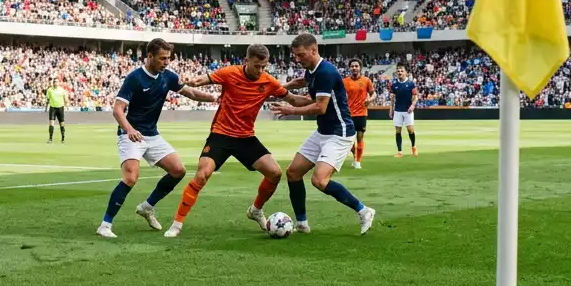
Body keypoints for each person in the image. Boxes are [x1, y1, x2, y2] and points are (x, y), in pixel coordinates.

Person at [164, 43, 314, 238]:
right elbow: (205, 79)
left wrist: (318, 97)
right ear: (247, 60)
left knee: (275, 173)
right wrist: (193, 81)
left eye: (264, 66)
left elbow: (294, 100)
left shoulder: (268, 81)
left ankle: (256, 210)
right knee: (202, 175)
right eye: (257, 66)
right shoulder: (230, 73)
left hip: (245, 137)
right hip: (221, 135)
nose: (260, 70)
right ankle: (177, 224)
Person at [98, 38, 216, 239]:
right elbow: (118, 110)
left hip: (152, 134)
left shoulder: (168, 76)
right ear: (150, 56)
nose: (166, 62)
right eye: (162, 58)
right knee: (131, 177)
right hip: (131, 134)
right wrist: (129, 129)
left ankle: (147, 206)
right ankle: (105, 225)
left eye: (168, 58)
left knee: (178, 170)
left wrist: (213, 97)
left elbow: (191, 93)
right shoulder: (135, 78)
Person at [271, 33, 375, 234]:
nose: (297, 59)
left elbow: (320, 107)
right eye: (295, 55)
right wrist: (284, 87)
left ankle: (364, 211)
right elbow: (304, 81)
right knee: (293, 173)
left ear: (314, 50)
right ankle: (301, 224)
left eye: (301, 55)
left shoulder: (326, 72)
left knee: (319, 180)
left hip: (340, 132)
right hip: (323, 131)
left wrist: (290, 109)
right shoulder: (312, 70)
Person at [343, 60, 373, 169]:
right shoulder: (344, 81)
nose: (354, 68)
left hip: (361, 113)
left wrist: (370, 99)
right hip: (348, 114)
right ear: (349, 68)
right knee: (348, 141)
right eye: (352, 66)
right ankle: (356, 155)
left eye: (356, 66)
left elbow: (373, 93)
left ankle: (358, 162)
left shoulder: (366, 80)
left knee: (360, 138)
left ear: (360, 67)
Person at [390, 64, 418, 158]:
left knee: (410, 130)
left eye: (402, 71)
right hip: (397, 111)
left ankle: (413, 147)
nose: (400, 72)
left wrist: (412, 105)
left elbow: (416, 97)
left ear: (405, 72)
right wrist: (391, 110)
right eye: (398, 71)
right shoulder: (394, 84)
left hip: (408, 111)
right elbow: (392, 99)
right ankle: (400, 152)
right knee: (398, 131)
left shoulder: (411, 84)